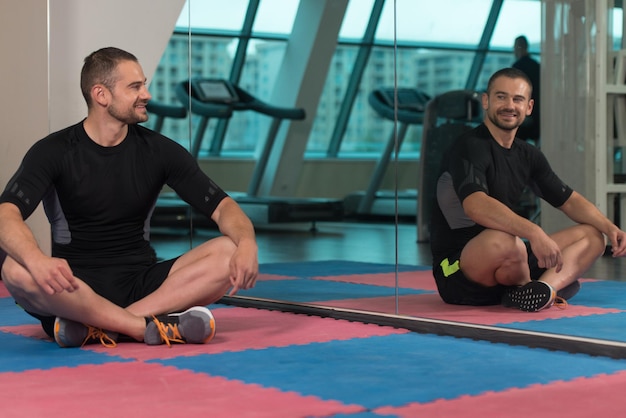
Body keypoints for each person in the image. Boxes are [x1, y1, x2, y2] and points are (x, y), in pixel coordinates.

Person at [0, 47, 259, 347]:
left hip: (143, 286)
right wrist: (35, 259)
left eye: (144, 84)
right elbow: (6, 213)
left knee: (229, 250)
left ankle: (99, 327)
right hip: (73, 289)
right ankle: (140, 327)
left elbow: (223, 207)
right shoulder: (53, 151)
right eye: (135, 87)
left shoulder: (161, 151)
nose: (146, 94)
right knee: (15, 268)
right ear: (101, 95)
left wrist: (248, 242)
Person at [429, 67, 626, 312]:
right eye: (501, 97)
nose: (509, 105)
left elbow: (569, 200)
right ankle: (539, 286)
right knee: (505, 240)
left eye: (517, 99)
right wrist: (534, 232)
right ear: (486, 101)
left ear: (529, 107)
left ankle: (541, 290)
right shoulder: (469, 146)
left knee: (592, 236)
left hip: (512, 260)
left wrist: (610, 227)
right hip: (458, 270)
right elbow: (476, 205)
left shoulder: (528, 154)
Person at [512, 35, 541, 141]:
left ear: (518, 47)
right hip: (537, 113)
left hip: (523, 115)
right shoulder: (536, 66)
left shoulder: (517, 67)